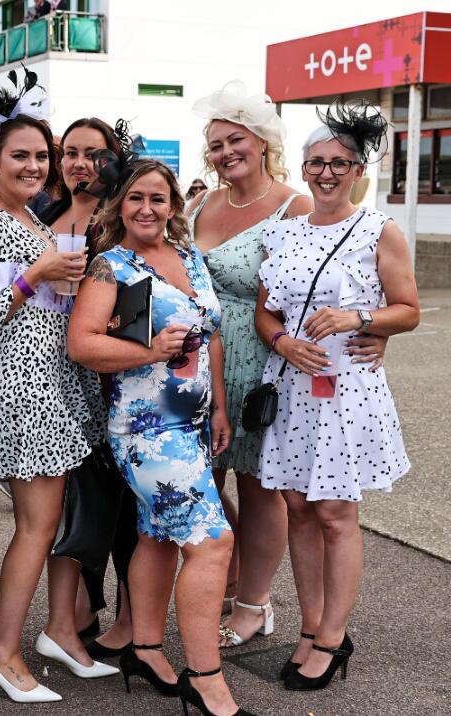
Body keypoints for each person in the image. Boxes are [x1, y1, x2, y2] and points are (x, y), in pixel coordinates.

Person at [188, 81, 386, 650]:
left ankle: (254, 603)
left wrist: (374, 332)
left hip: (267, 364)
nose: (226, 152)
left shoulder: (296, 206)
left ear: (263, 142)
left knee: (259, 488)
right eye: (217, 144)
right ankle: (224, 575)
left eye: (236, 140)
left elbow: (353, 279)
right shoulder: (199, 204)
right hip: (201, 359)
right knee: (205, 478)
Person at [68, 158, 254, 716]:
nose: (147, 209)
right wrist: (152, 351)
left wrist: (218, 407)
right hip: (146, 431)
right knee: (213, 541)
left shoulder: (190, 259)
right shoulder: (110, 268)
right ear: (120, 206)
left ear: (173, 205)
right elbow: (81, 343)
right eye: (135, 198)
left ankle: (145, 649)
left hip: (192, 426)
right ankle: (206, 679)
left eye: (158, 198)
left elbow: (211, 335)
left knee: (155, 535)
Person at [0, 68, 110, 703]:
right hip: (24, 388)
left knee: (49, 523)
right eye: (21, 155)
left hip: (50, 381)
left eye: (41, 155)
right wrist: (37, 274)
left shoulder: (29, 218)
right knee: (37, 526)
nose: (35, 165)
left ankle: (52, 633)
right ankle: (3, 649)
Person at [255, 102, 418, 691]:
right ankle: (309, 626)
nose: (326, 173)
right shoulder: (283, 231)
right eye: (317, 162)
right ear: (302, 168)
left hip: (347, 391)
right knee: (297, 508)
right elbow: (265, 308)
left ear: (357, 171)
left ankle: (332, 637)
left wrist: (359, 317)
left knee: (336, 514)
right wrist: (281, 341)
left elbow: (409, 310)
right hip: (294, 386)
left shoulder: (379, 229)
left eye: (339, 164)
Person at [37, 117, 136, 661]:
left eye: (93, 154)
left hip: (112, 371)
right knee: (80, 496)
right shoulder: (45, 213)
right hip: (56, 373)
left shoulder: (118, 216)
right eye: (70, 153)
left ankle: (128, 616)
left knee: (120, 500)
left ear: (112, 157)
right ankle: (84, 605)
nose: (79, 164)